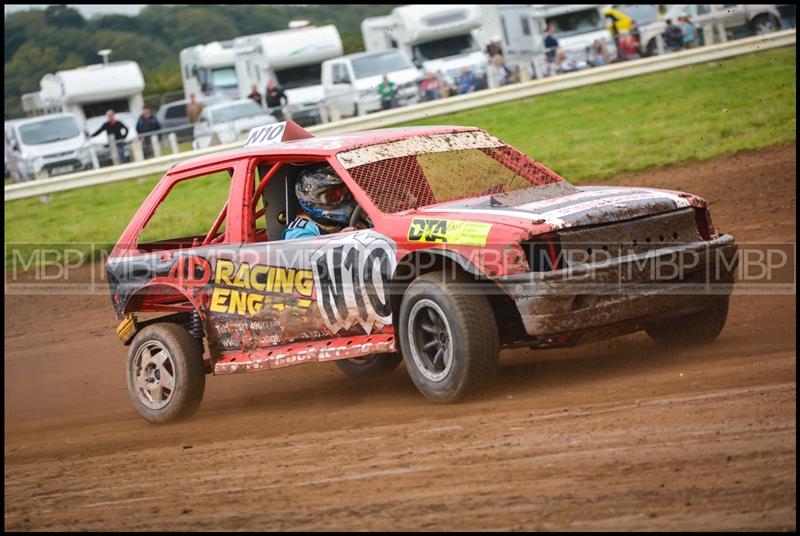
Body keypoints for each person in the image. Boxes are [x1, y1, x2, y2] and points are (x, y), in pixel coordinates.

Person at [282, 164, 358, 239]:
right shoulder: (300, 233)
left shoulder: (357, 213)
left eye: (343, 190)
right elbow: (307, 251)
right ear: (311, 202)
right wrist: (337, 243)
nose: (342, 197)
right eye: (332, 195)